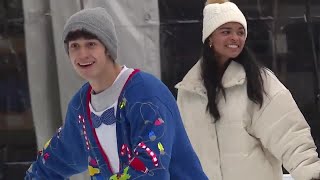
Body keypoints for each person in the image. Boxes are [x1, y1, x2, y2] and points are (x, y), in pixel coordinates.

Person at [25, 7, 208, 180]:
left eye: (91, 44)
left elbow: (151, 167)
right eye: (74, 46)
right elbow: (58, 158)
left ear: (108, 48)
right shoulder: (81, 105)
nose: (82, 54)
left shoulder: (145, 92)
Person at [175, 0, 320, 180]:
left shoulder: (260, 82)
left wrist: (311, 173)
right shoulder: (189, 90)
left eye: (240, 32)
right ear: (209, 38)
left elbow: (290, 135)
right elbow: (181, 149)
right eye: (226, 32)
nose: (235, 38)